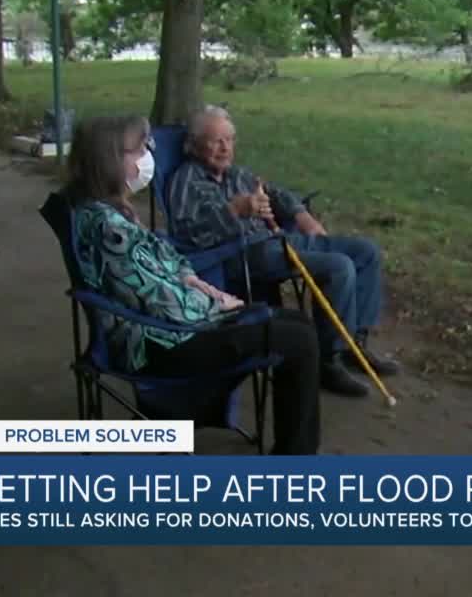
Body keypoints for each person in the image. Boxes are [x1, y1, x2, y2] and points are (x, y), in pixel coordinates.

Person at [64, 114, 320, 455]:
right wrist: (222, 305)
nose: (147, 157)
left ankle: (293, 453)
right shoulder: (109, 228)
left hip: (174, 327)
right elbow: (163, 302)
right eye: (139, 150)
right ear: (111, 161)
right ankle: (294, 463)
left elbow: (166, 261)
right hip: (161, 344)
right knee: (298, 337)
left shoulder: (108, 211)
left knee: (295, 324)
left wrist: (194, 281)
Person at [166, 104, 400, 399]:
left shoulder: (237, 175)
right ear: (196, 145)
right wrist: (233, 211)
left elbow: (275, 193)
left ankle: (355, 343)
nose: (225, 148)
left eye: (230, 139)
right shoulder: (185, 180)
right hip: (242, 254)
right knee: (338, 267)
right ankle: (328, 360)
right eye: (216, 141)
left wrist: (302, 216)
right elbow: (188, 235)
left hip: (279, 242)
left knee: (366, 252)